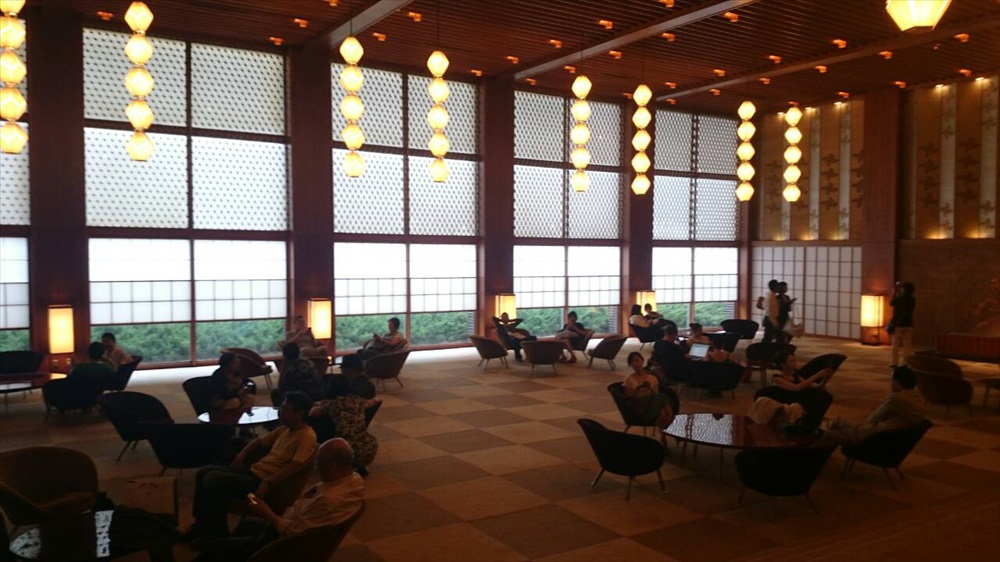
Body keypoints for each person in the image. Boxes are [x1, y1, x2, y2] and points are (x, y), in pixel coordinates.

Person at [191, 438, 364, 562]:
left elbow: (293, 535)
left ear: (332, 466)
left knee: (213, 549)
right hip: (290, 522)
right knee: (246, 524)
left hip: (282, 545)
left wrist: (267, 512)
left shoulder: (329, 500)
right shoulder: (355, 480)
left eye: (318, 464)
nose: (316, 469)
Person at [182, 392, 319, 541]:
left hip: (260, 485)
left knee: (213, 479)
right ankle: (201, 525)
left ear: (300, 413)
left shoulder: (307, 436)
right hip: (253, 473)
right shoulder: (285, 429)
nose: (281, 412)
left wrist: (268, 482)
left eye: (286, 409)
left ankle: (218, 533)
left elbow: (296, 465)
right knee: (203, 473)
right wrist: (241, 456)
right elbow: (258, 442)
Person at [821, 366, 925, 445]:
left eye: (891, 380)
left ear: (898, 383)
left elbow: (873, 419)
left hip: (878, 436)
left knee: (829, 433)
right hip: (893, 436)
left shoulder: (896, 398)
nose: (890, 383)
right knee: (838, 422)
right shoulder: (917, 397)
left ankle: (817, 454)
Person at [310, 375, 381, 473]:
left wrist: (319, 404)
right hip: (368, 446)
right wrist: (376, 400)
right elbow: (374, 401)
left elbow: (312, 413)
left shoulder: (333, 405)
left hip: (346, 450)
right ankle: (358, 466)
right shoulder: (358, 400)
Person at [622, 352, 675, 447]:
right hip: (641, 409)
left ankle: (663, 437)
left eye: (637, 360)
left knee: (663, 411)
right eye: (632, 362)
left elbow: (655, 394)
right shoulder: (628, 380)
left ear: (642, 360)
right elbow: (629, 398)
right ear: (630, 365)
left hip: (653, 404)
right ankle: (663, 436)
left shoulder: (652, 378)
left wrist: (649, 389)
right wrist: (641, 391)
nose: (635, 363)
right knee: (663, 399)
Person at [889, 282, 916, 368]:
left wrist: (894, 293)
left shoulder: (898, 299)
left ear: (903, 290)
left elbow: (891, 303)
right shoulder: (912, 300)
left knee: (895, 344)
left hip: (897, 324)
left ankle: (894, 362)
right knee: (907, 345)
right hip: (908, 324)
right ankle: (905, 363)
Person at [761, 279, 781, 343]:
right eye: (778, 286)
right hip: (770, 320)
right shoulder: (770, 297)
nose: (779, 288)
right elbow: (769, 312)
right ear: (775, 287)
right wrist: (775, 323)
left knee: (771, 338)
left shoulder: (771, 296)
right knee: (767, 339)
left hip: (771, 319)